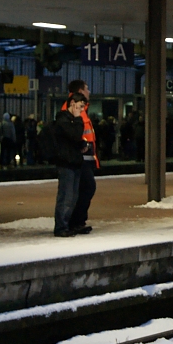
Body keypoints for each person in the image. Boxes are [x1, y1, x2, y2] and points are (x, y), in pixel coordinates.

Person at [62, 80, 99, 234]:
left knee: (83, 188)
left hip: (85, 157)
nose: (89, 91)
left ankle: (77, 221)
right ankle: (75, 222)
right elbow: (73, 132)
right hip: (79, 157)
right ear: (80, 91)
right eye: (87, 88)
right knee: (86, 188)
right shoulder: (73, 108)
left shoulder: (80, 108)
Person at [53, 92, 87, 237]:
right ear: (72, 103)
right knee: (66, 196)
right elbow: (74, 135)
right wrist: (79, 119)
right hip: (67, 162)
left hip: (74, 161)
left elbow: (74, 138)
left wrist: (82, 144)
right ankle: (61, 227)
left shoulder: (68, 121)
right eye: (80, 107)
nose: (81, 111)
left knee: (72, 196)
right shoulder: (63, 120)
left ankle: (67, 224)